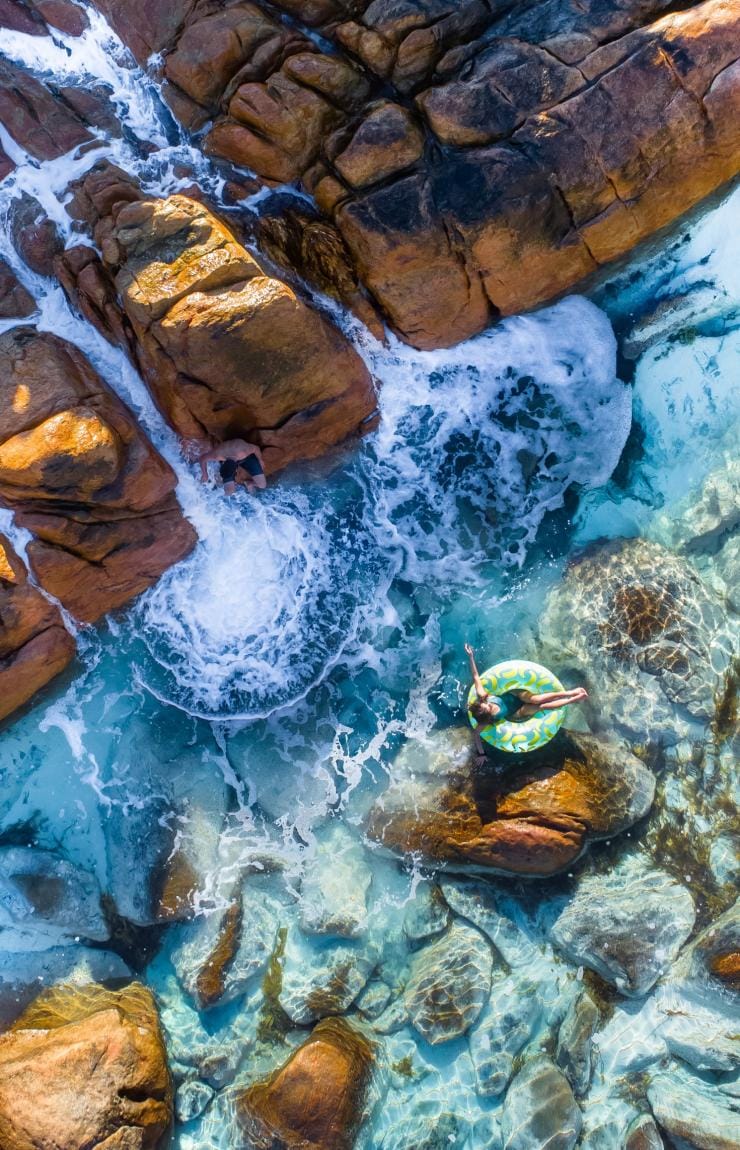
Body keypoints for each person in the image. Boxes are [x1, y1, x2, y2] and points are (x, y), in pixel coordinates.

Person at [464, 643, 588, 762]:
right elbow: (476, 735)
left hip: (516, 695)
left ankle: (570, 693)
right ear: (488, 716)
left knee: (536, 699)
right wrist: (481, 754)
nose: (487, 704)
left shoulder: (483, 696)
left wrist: (471, 657)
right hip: (517, 713)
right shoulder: (485, 721)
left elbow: (475, 676)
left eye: (485, 704)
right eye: (488, 707)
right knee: (541, 707)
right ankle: (572, 700)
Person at [197, 439, 267, 497]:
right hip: (229, 457)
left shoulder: (244, 451)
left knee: (262, 485)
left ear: (236, 470)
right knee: (229, 491)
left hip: (246, 458)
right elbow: (202, 458)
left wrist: (260, 460)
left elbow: (256, 448)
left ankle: (249, 483)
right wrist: (205, 474)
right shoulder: (217, 455)